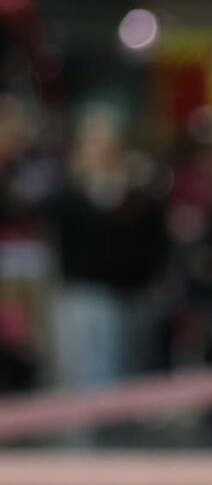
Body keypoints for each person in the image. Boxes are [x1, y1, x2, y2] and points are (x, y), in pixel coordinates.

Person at [45, 108, 166, 389]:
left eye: (107, 144)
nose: (101, 151)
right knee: (93, 375)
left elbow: (153, 236)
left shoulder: (138, 192)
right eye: (94, 144)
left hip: (134, 294)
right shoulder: (69, 193)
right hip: (87, 295)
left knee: (133, 373)